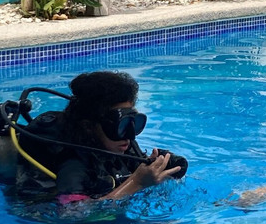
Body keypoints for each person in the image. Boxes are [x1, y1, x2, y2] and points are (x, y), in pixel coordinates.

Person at [15, 71, 187, 203]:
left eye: (132, 123)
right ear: (89, 127)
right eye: (120, 125)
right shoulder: (73, 163)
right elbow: (72, 215)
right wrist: (137, 183)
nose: (128, 135)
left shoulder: (119, 143)